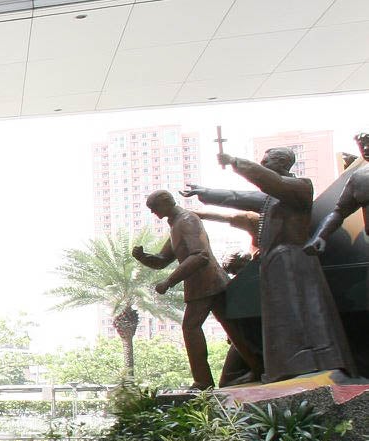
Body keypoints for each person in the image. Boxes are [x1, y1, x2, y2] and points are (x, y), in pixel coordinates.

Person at [215, 146, 356, 382]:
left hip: (292, 262)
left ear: (281, 163)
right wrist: (204, 192)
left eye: (266, 161)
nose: (262, 164)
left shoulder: (299, 187)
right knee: (285, 319)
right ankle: (288, 366)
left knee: (303, 314)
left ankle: (315, 363)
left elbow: (267, 181)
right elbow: (238, 197)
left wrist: (235, 162)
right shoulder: (273, 196)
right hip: (277, 264)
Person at [134, 189, 262, 389]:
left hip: (206, 283)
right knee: (233, 330)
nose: (153, 213)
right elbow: (162, 260)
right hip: (208, 283)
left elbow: (200, 255)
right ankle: (259, 367)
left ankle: (203, 382)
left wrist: (169, 281)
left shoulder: (186, 220)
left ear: (166, 203)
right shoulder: (177, 224)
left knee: (191, 328)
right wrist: (143, 257)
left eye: (154, 208)